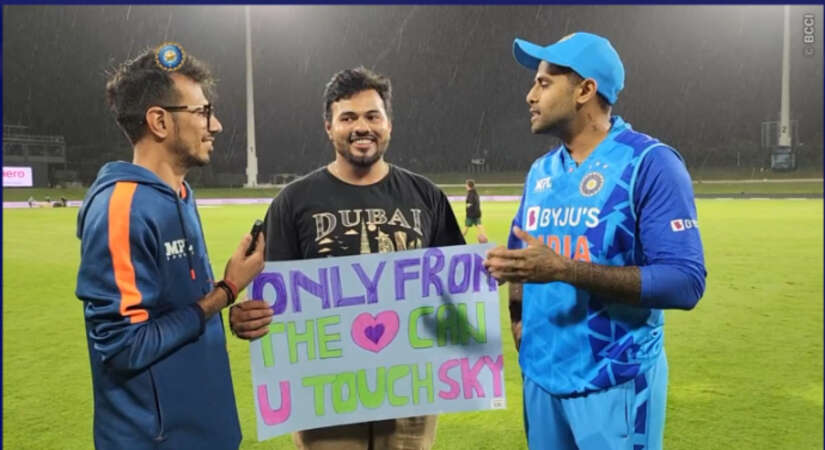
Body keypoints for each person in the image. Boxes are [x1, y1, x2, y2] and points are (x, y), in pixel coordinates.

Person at [484, 32, 706, 450]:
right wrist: (517, 318)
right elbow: (520, 253)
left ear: (585, 90)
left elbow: (685, 282)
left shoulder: (649, 163)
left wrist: (564, 269)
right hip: (542, 379)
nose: (530, 95)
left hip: (614, 382)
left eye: (544, 83)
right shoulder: (542, 171)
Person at [229, 66, 465, 450]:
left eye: (373, 116)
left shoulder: (426, 196)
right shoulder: (293, 202)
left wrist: (485, 274)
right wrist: (247, 317)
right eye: (348, 118)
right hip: (326, 397)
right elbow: (274, 298)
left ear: (389, 124)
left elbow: (457, 290)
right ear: (329, 127)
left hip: (409, 392)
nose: (362, 127)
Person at [75, 44, 265, 449]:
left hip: (207, 431)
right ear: (159, 121)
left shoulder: (179, 194)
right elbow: (124, 347)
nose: (216, 126)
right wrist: (226, 291)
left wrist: (230, 314)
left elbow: (178, 307)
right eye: (203, 112)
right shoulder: (121, 207)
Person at [462, 178, 488, 243]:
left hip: (471, 214)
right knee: (479, 226)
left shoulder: (471, 194)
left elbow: (470, 204)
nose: (465, 186)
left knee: (466, 228)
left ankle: (458, 240)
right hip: (477, 213)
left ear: (468, 185)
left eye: (466, 184)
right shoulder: (475, 193)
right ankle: (485, 239)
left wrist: (468, 211)